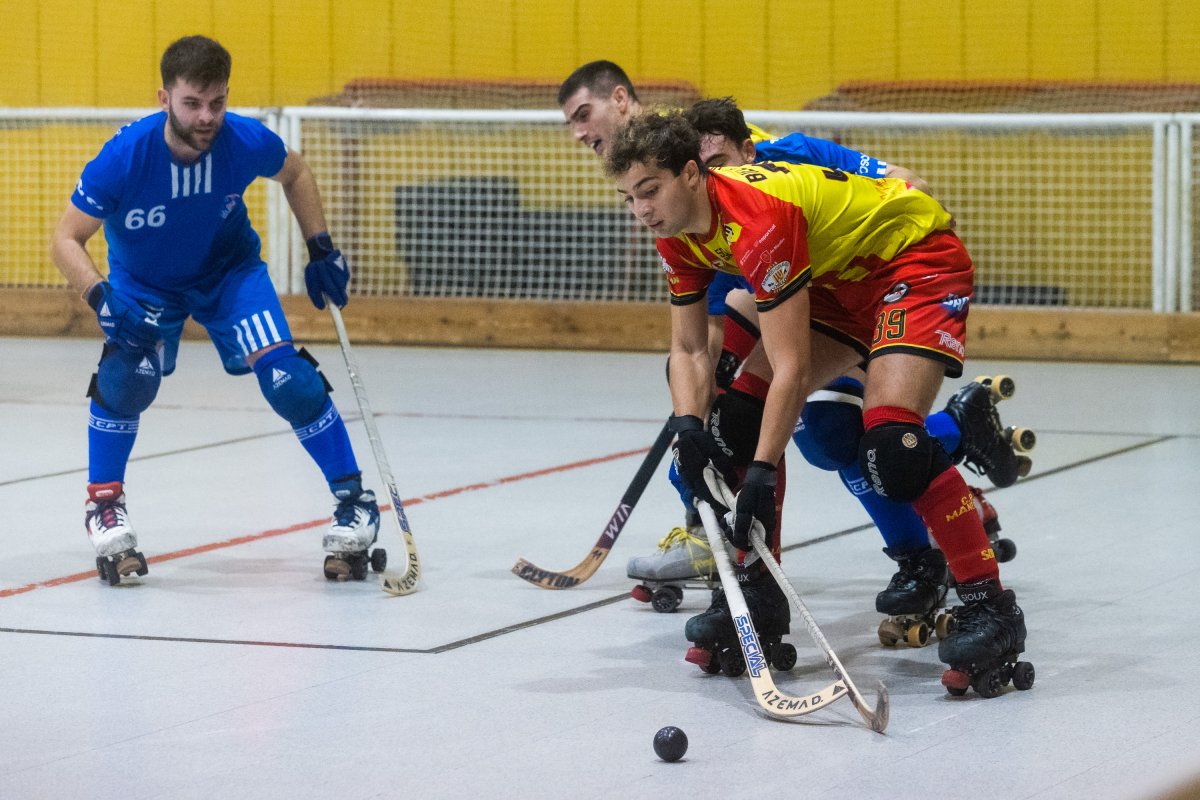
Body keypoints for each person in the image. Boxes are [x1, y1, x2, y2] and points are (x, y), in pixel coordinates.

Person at [560, 63, 1022, 626]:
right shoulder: (674, 226)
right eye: (628, 198)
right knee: (733, 424)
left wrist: (759, 472)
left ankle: (990, 607)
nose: (639, 212)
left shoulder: (762, 190)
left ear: (693, 170)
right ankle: (758, 599)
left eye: (648, 193)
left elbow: (792, 368)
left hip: (909, 262)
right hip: (826, 281)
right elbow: (689, 349)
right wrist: (690, 425)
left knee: (887, 446)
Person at [50, 35, 381, 584]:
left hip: (229, 276)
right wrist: (100, 297)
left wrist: (320, 245)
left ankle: (356, 502)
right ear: (164, 98)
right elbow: (66, 239)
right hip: (145, 284)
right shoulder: (123, 158)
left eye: (217, 103)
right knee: (127, 376)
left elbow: (294, 173)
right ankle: (104, 506)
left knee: (286, 377)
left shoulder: (242, 139)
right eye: (192, 104)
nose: (207, 118)